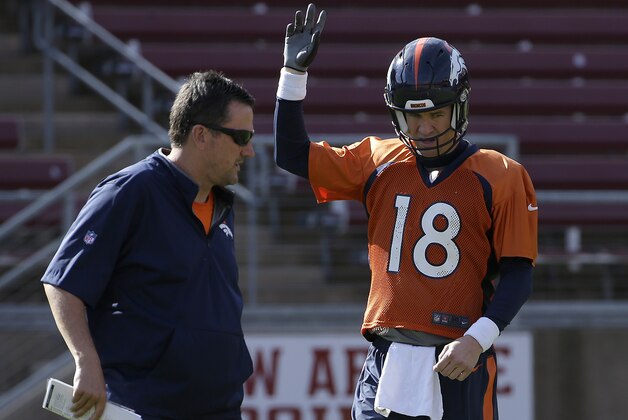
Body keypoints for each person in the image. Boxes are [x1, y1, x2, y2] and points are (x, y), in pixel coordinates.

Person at [275, 4, 537, 419]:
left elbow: (518, 273)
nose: (425, 128)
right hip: (388, 358)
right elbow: (292, 155)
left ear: (459, 106)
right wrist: (293, 76)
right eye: (413, 117)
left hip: (458, 357)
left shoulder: (500, 175)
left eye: (435, 114)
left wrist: (478, 339)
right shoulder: (379, 160)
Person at [42, 70, 256, 420]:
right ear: (201, 135)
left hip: (219, 409)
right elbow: (62, 283)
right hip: (144, 407)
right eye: (241, 137)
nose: (249, 151)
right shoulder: (131, 190)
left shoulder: (223, 207)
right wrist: (86, 363)